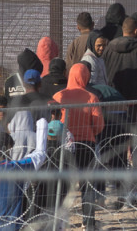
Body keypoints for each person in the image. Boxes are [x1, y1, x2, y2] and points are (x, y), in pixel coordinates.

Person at [101, 16, 137, 203]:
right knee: (136, 138)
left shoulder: (108, 48)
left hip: (114, 101)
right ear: (136, 31)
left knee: (117, 139)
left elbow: (105, 73)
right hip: (135, 101)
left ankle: (117, 177)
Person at [52, 63, 105, 230]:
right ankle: (88, 222)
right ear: (86, 77)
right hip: (86, 144)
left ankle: (57, 221)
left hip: (64, 144)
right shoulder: (91, 97)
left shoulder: (59, 96)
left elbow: (53, 122)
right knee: (87, 185)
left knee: (61, 184)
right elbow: (99, 124)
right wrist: (90, 132)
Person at [0, 118, 49, 231]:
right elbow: (40, 154)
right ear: (6, 149)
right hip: (11, 226)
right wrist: (42, 124)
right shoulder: (17, 168)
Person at [7, 69, 49, 160]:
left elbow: (8, 123)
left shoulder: (16, 101)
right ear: (40, 84)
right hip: (43, 142)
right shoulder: (47, 100)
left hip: (17, 144)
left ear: (24, 84)